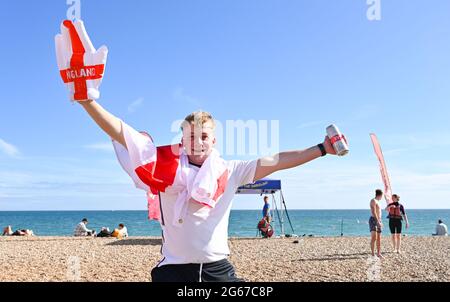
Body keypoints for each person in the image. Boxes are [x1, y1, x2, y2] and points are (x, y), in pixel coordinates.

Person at [55, 19, 343, 282]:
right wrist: (87, 101)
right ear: (182, 137)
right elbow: (120, 130)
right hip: (173, 270)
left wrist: (321, 149)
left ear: (213, 140)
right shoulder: (161, 163)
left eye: (204, 135)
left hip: (219, 268)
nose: (197, 140)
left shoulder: (229, 171)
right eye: (190, 135)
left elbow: (276, 160)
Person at [369, 189, 383, 258]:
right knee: (374, 237)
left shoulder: (378, 201)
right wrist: (377, 221)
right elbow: (374, 211)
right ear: (380, 195)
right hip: (374, 220)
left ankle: (378, 253)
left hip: (379, 220)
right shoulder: (373, 200)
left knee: (379, 238)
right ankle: (372, 253)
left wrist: (380, 221)